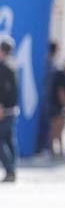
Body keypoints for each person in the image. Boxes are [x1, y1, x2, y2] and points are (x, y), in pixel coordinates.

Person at [0, 36, 18, 182]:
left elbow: (4, 90)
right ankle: (13, 169)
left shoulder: (4, 67)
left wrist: (1, 106)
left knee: (2, 140)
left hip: (4, 110)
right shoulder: (13, 65)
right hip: (12, 110)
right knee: (10, 140)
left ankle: (10, 170)